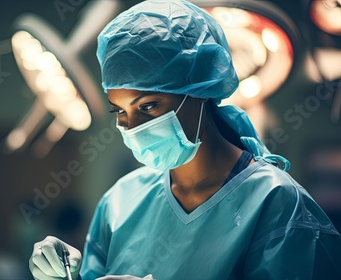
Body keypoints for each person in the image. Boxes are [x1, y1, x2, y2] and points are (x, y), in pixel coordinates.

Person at [28, 0, 341, 279]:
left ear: (199, 90)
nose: (133, 126)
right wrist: (66, 273)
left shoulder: (278, 205)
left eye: (148, 106)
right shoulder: (121, 201)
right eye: (119, 112)